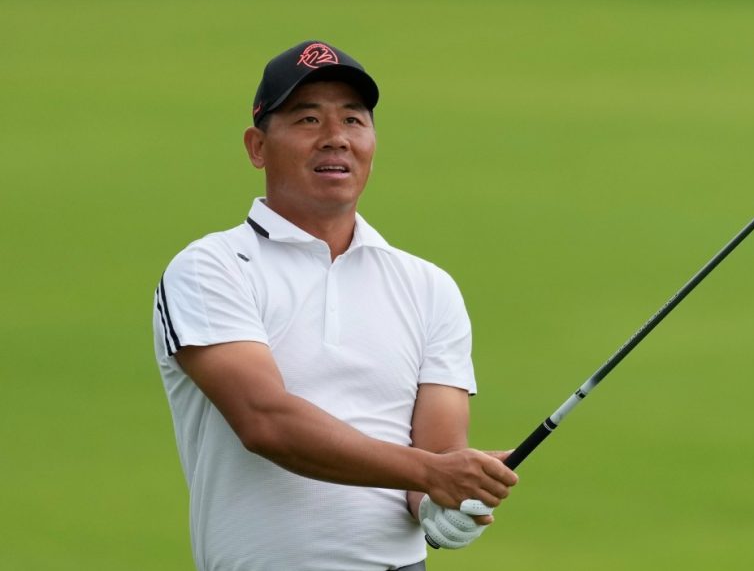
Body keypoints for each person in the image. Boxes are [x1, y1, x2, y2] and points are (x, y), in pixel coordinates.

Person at [152, 40, 518, 571]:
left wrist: (440, 503)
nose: (335, 138)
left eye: (353, 119)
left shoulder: (428, 286)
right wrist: (430, 473)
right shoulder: (211, 267)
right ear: (257, 147)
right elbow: (265, 422)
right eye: (308, 119)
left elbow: (438, 455)